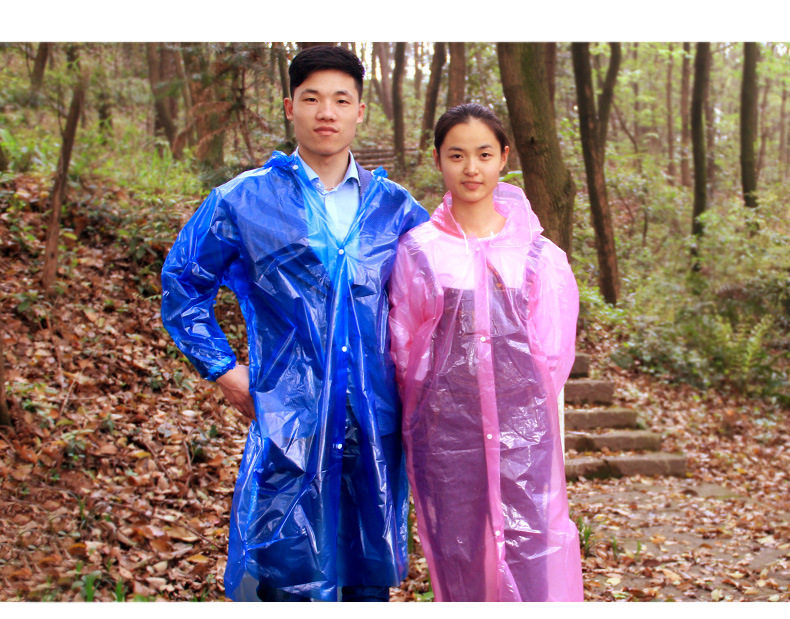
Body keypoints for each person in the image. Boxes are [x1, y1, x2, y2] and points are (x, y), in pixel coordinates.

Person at [160, 45, 429, 602]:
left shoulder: (396, 209)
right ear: (290, 107)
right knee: (285, 577)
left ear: (360, 112)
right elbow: (183, 283)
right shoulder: (245, 200)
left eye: (341, 100)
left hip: (374, 425)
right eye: (312, 99)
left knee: (365, 576)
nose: (326, 112)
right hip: (292, 423)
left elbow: (439, 301)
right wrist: (224, 371)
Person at [388, 103, 583, 602]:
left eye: (483, 154)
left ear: (503, 158)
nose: (471, 168)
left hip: (524, 433)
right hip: (445, 434)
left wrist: (521, 413)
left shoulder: (538, 255)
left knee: (531, 547)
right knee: (459, 552)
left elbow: (553, 355)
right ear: (438, 160)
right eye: (457, 155)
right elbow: (404, 347)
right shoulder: (419, 250)